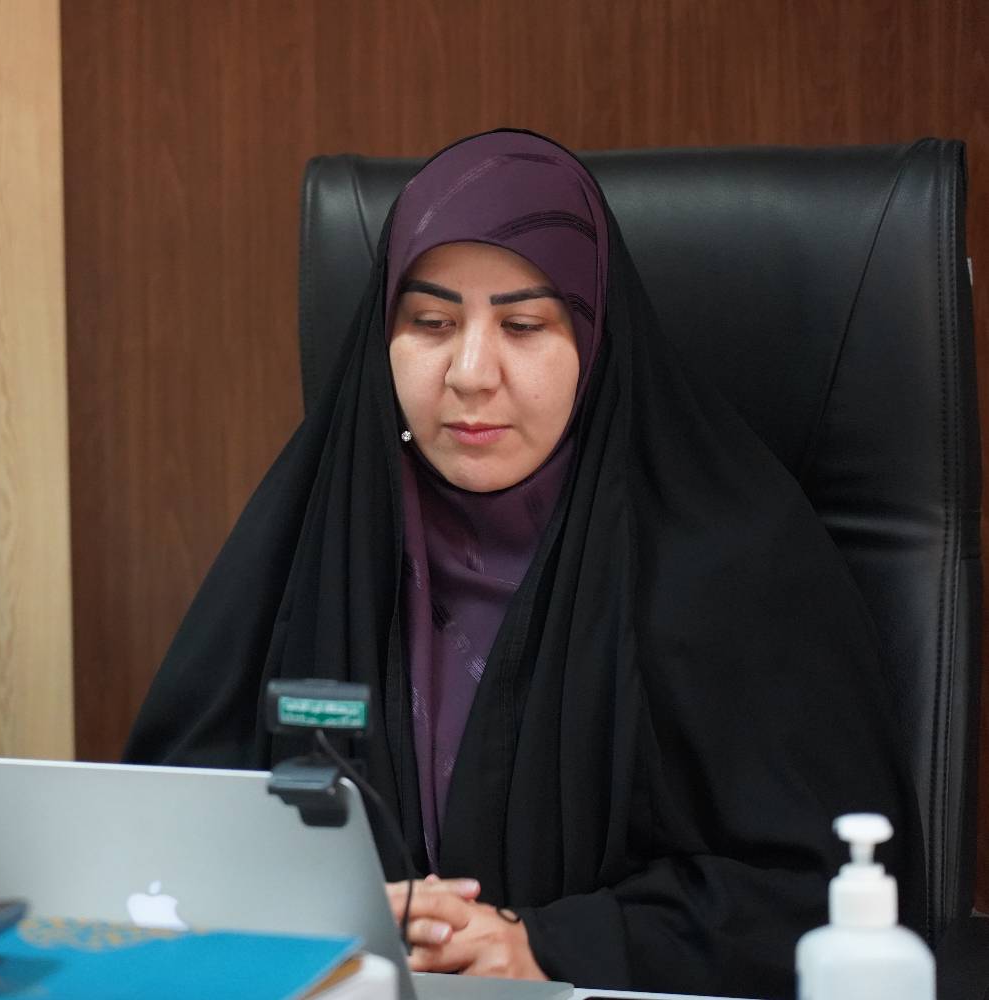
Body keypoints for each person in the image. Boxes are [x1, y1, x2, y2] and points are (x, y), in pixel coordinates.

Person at [123, 129, 922, 998]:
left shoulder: (731, 564)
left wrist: (548, 946)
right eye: (431, 323)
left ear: (595, 338)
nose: (470, 373)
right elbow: (157, 847)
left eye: (524, 325)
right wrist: (335, 912)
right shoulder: (311, 532)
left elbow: (819, 892)